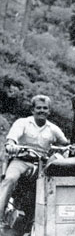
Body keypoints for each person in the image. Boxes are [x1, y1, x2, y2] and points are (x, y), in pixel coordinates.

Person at [0, 95, 68, 224]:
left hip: (42, 165)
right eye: (38, 108)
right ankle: (0, 215)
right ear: (32, 110)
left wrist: (70, 148)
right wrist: (11, 144)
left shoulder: (53, 129)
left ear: (49, 111)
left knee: (51, 186)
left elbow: (65, 143)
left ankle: (47, 221)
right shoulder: (23, 123)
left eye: (45, 108)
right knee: (10, 179)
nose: (42, 111)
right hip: (21, 160)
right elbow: (12, 137)